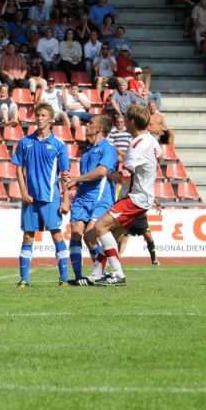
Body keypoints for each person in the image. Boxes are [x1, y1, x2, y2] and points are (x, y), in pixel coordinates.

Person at [77, 104, 161, 286]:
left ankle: (117, 273)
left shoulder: (136, 145)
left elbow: (123, 177)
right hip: (142, 196)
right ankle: (95, 275)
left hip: (134, 198)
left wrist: (109, 174)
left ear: (131, 122)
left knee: (99, 227)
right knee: (112, 236)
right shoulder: (151, 140)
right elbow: (157, 159)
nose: (121, 123)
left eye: (125, 119)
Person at [12, 102, 71, 287]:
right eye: (37, 115)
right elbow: (18, 169)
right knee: (28, 236)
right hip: (30, 199)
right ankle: (24, 279)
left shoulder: (58, 145)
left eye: (43, 115)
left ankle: (64, 278)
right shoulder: (25, 142)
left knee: (56, 235)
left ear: (51, 119)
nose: (39, 118)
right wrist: (23, 192)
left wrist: (66, 200)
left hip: (51, 198)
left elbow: (65, 175)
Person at [63, 115, 119, 285]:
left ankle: (105, 271)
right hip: (82, 199)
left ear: (100, 129)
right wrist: (71, 180)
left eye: (91, 124)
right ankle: (79, 277)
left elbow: (102, 172)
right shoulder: (87, 151)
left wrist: (77, 179)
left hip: (101, 199)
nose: (87, 126)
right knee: (75, 233)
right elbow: (86, 176)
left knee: (90, 236)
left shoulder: (108, 148)